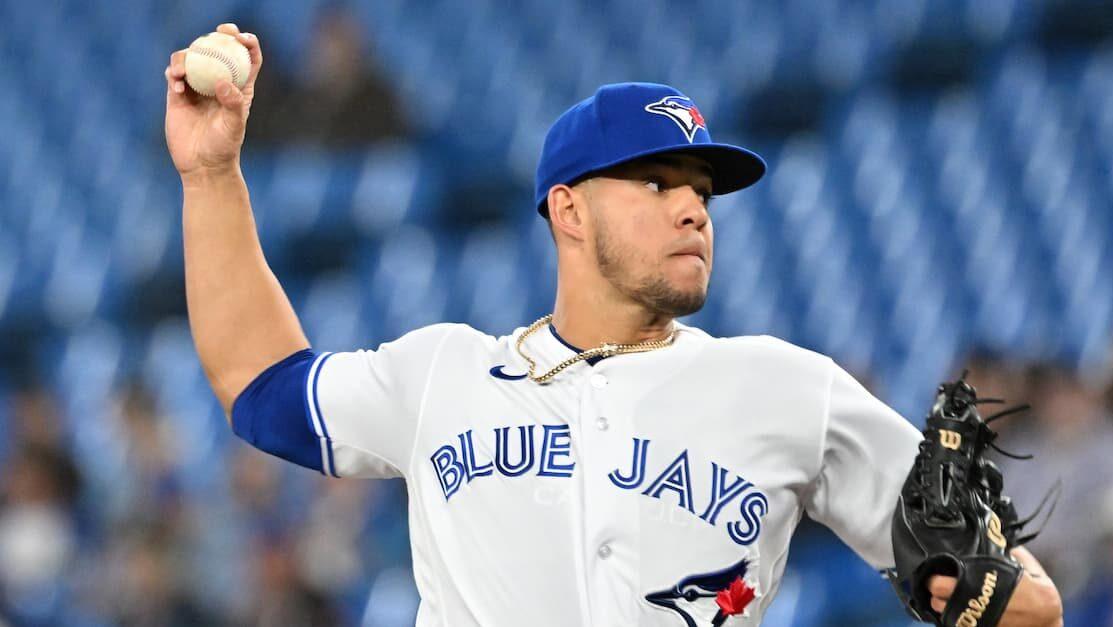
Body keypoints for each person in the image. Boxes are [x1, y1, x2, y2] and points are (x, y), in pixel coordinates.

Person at [164, 23, 1063, 627]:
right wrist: (209, 176)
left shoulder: (786, 389)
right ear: (568, 210)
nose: (692, 209)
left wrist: (979, 586)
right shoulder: (445, 374)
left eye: (701, 191)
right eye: (656, 182)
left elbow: (1029, 604)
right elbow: (259, 382)